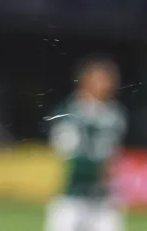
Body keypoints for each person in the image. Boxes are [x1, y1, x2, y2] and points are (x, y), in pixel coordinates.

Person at [44, 55, 127, 231]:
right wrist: (96, 166)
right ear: (86, 80)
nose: (108, 84)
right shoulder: (70, 112)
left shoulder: (115, 114)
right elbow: (66, 151)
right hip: (74, 196)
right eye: (102, 79)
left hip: (103, 199)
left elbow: (113, 151)